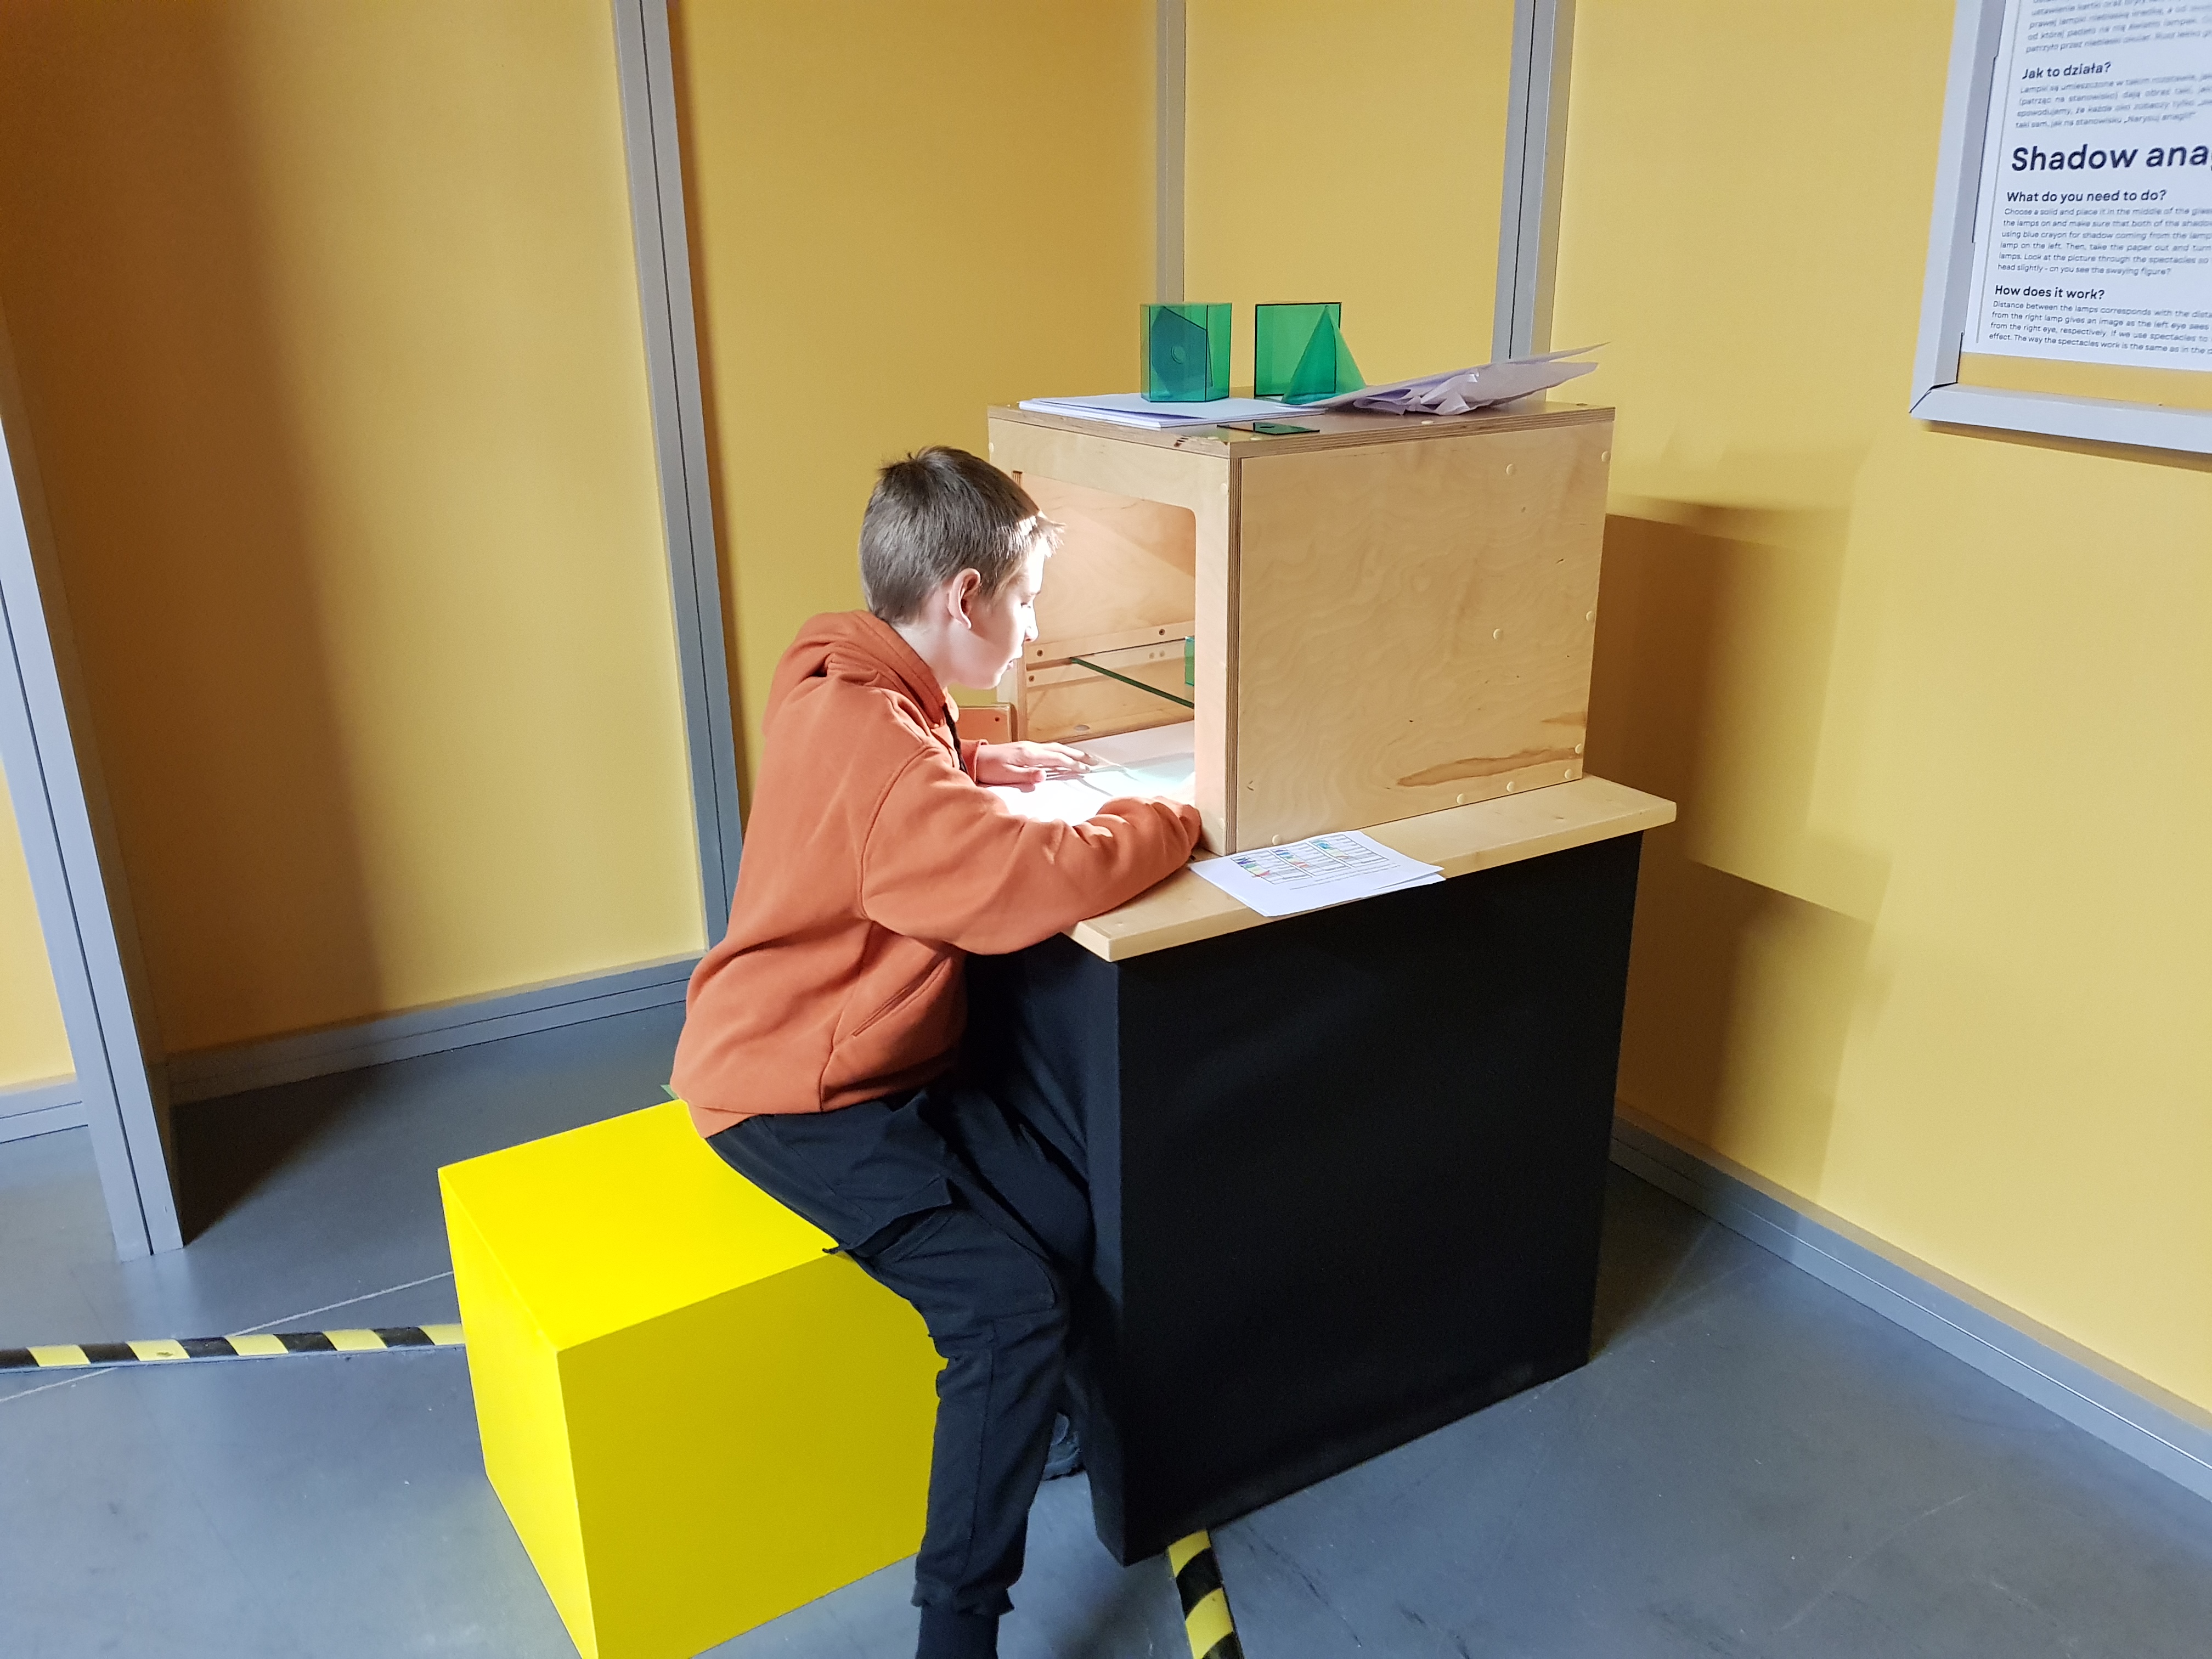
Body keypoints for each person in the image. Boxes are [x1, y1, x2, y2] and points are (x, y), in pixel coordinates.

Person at [670, 445, 1200, 1659]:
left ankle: (1042, 1428)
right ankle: (956, 1629)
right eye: (1025, 602)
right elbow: (1030, 876)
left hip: (856, 1064)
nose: (1033, 631)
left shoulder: (843, 683)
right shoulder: (890, 760)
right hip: (792, 1095)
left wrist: (977, 762)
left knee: (1060, 1211)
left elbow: (898, 781)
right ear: (965, 598)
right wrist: (1173, 815)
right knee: (1008, 1311)